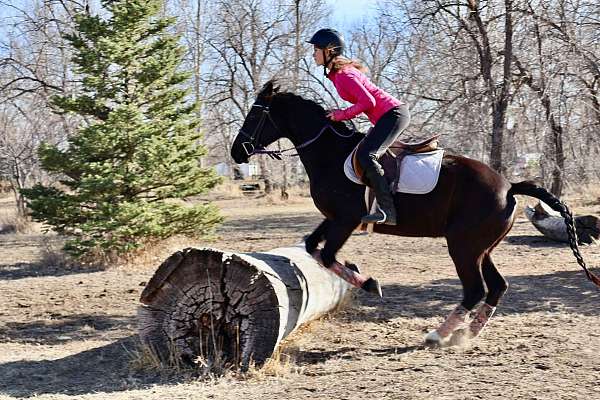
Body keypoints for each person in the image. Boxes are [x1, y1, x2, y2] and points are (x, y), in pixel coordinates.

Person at [307, 28, 410, 225]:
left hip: (394, 114)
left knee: (366, 155)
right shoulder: (339, 74)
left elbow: (368, 102)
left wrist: (342, 114)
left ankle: (388, 210)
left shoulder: (344, 74)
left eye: (316, 49)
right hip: (389, 116)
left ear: (329, 51)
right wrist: (339, 113)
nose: (313, 54)